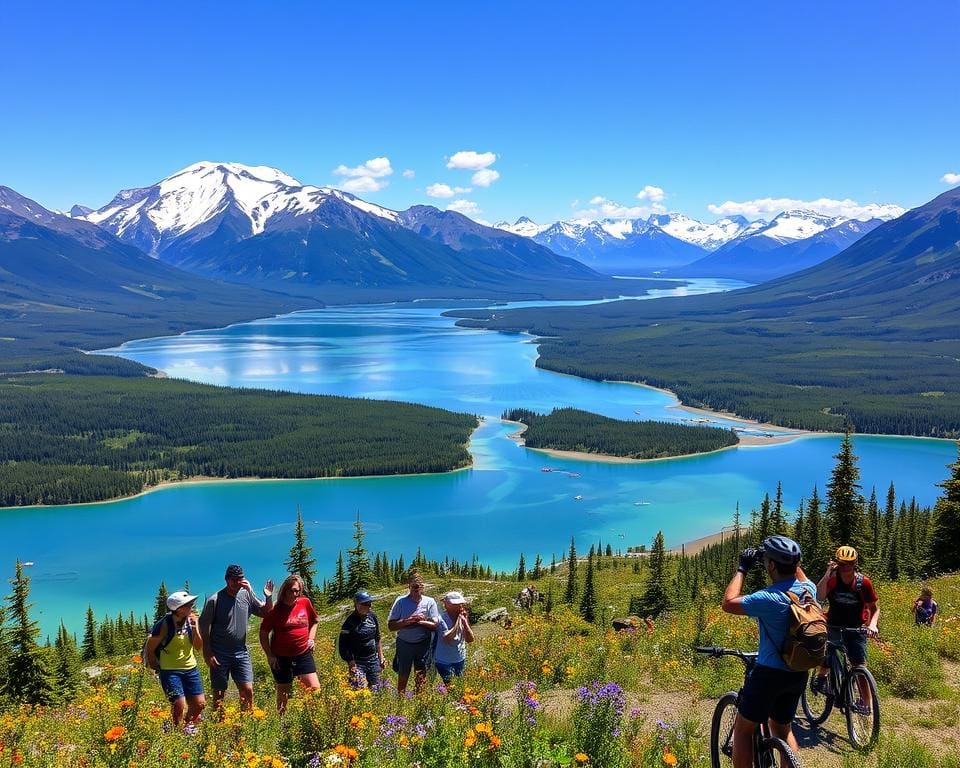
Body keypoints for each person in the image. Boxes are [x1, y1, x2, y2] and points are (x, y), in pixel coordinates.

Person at [722, 535, 816, 768]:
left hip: (769, 674)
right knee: (783, 730)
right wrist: (789, 559)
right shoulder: (809, 591)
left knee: (744, 731)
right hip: (798, 672)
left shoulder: (769, 598)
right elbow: (800, 575)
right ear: (795, 564)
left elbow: (728, 602)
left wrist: (742, 568)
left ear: (771, 565)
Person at [198, 564, 274, 712]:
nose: (237, 583)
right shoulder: (214, 600)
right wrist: (208, 652)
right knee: (219, 693)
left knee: (247, 690)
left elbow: (266, 612)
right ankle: (219, 726)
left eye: (240, 579)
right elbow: (204, 626)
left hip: (241, 652)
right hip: (219, 653)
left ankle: (244, 725)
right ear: (227, 580)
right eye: (234, 580)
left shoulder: (246, 595)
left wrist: (268, 596)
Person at [812, 545, 879, 711]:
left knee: (859, 665)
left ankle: (865, 703)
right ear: (836, 563)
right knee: (828, 650)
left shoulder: (863, 583)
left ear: (855, 563)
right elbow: (819, 596)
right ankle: (821, 677)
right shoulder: (833, 579)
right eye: (841, 564)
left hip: (856, 627)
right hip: (833, 623)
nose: (845, 567)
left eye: (849, 564)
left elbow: (874, 608)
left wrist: (872, 624)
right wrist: (828, 573)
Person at [258, 574, 320, 713]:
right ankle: (282, 724)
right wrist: (269, 655)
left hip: (303, 654)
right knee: (284, 695)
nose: (295, 594)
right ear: (285, 590)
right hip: (281, 658)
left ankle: (313, 718)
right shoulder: (275, 610)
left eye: (298, 590)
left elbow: (315, 621)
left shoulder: (305, 603)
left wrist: (311, 638)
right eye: (292, 590)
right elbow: (263, 633)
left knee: (315, 690)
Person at [145, 590, 205, 730]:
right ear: (178, 609)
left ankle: (187, 727)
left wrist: (196, 629)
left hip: (191, 668)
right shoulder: (164, 625)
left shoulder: (192, 621)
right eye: (188, 604)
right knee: (179, 704)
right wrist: (154, 665)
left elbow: (198, 647)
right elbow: (150, 646)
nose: (192, 606)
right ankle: (176, 733)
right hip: (170, 670)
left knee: (199, 704)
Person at [387, 571, 439, 695]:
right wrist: (408, 621)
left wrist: (420, 621)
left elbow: (435, 625)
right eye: (413, 586)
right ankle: (401, 699)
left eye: (418, 586)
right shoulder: (400, 601)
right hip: (404, 643)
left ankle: (419, 698)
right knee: (403, 672)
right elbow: (391, 625)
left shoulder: (429, 602)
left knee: (420, 673)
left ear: (422, 587)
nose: (416, 589)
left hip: (423, 644)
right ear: (409, 586)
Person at [338, 590, 385, 689]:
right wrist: (351, 662)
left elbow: (377, 637)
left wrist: (381, 657)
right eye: (365, 604)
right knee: (360, 690)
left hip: (373, 660)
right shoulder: (349, 623)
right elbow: (343, 645)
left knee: (376, 689)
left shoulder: (372, 617)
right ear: (356, 605)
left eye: (369, 603)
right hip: (358, 662)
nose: (368, 606)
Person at [434, 590, 474, 684]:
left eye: (460, 604)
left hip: (459, 659)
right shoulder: (441, 619)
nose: (459, 607)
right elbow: (447, 638)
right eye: (456, 605)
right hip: (444, 661)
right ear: (446, 605)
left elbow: (470, 639)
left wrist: (465, 622)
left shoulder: (462, 617)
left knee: (460, 686)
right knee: (451, 688)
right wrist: (458, 621)